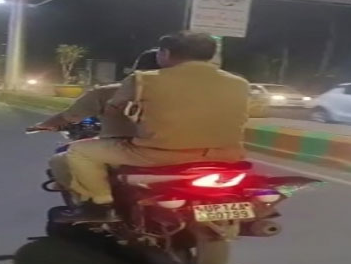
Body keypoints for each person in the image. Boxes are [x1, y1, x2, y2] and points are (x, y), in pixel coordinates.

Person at [56, 31, 250, 222]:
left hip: (159, 155)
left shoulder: (143, 79)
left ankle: (100, 204)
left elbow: (114, 109)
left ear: (165, 53)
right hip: (226, 155)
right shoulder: (240, 83)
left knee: (79, 151)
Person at [32, 49, 160, 190]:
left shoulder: (107, 92)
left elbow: (69, 116)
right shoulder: (178, 94)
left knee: (65, 157)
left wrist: (43, 125)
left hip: (125, 150)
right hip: (173, 153)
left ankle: (95, 198)